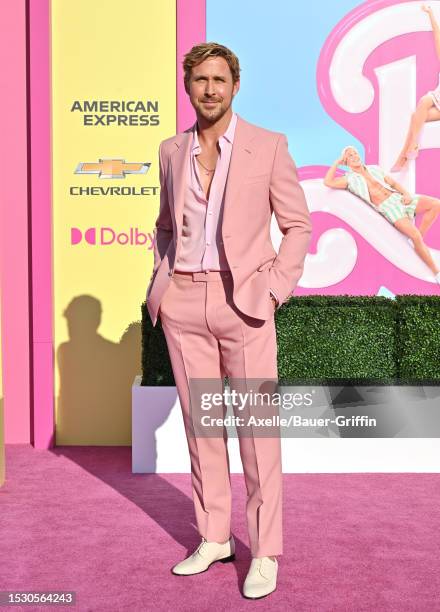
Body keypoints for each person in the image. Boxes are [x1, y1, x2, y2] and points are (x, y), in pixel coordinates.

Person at [145, 42, 311, 599]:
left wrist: (274, 289)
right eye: (200, 80)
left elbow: (298, 225)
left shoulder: (268, 145)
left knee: (258, 432)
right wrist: (163, 289)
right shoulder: (171, 150)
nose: (210, 89)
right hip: (185, 303)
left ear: (235, 86)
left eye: (219, 79)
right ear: (188, 86)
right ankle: (215, 536)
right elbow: (165, 226)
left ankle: (263, 551)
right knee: (203, 429)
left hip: (246, 303)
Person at [324, 146, 440, 282]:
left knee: (436, 204)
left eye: (355, 153)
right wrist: (337, 162)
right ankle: (436, 272)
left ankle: (419, 242)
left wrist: (406, 194)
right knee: (414, 236)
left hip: (398, 198)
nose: (354, 156)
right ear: (346, 162)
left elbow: (394, 183)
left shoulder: (374, 169)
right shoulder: (349, 179)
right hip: (388, 208)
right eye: (350, 155)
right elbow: (328, 182)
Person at [391, 5, 440, 171]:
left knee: (420, 107)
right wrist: (431, 14)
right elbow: (437, 35)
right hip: (437, 99)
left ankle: (406, 154)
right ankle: (407, 152)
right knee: (418, 112)